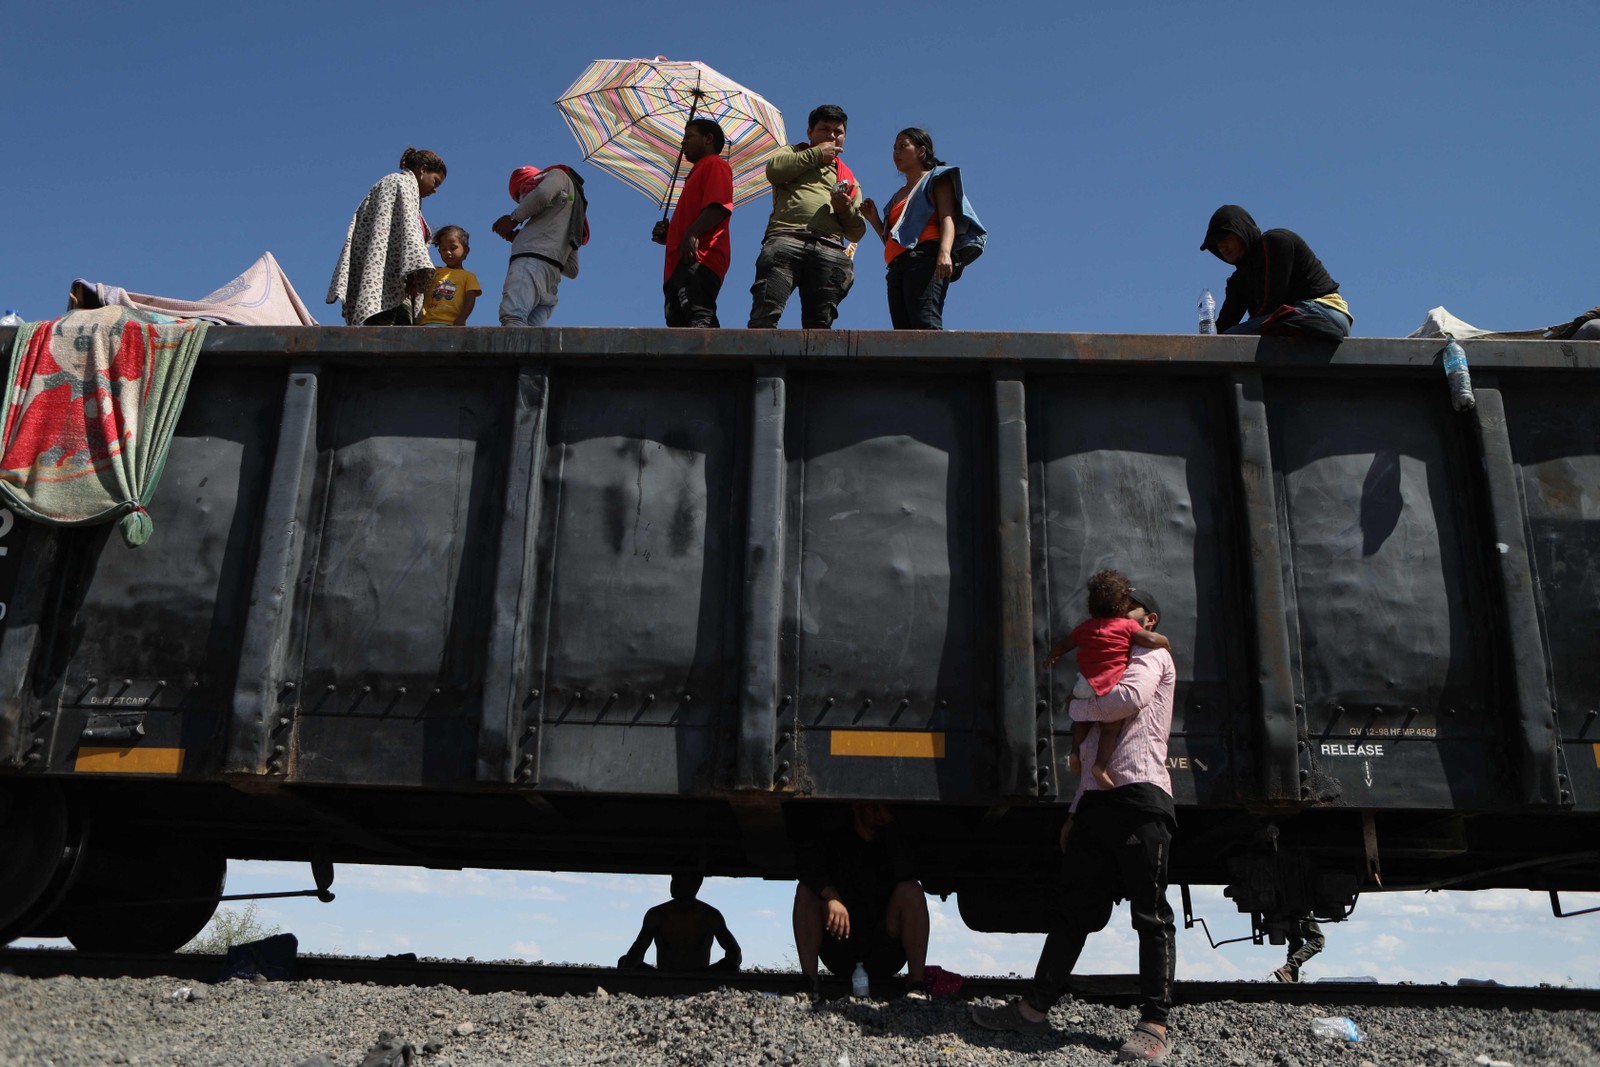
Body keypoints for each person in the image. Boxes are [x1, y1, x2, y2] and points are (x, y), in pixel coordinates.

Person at [973, 587, 1178, 1064]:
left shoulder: (1150, 659)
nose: (1112, 627)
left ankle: (1154, 1024)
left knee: (1149, 914)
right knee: (1072, 911)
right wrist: (1076, 810)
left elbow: (1123, 702)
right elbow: (1089, 756)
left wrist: (1075, 707)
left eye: (1122, 618)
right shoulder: (1107, 665)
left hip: (1140, 797)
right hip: (1098, 805)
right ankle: (1033, 1011)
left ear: (1147, 620)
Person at [1042, 570, 1171, 790]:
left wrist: (1052, 655)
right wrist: (1165, 641)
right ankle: (1100, 767)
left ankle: (1073, 751)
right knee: (1111, 727)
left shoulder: (1085, 627)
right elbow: (1149, 639)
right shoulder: (1127, 627)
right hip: (1107, 685)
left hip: (1084, 683)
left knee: (1081, 722)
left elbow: (1065, 645)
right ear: (1119, 607)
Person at [793, 802, 929, 999]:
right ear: (857, 807)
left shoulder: (893, 841)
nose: (881, 814)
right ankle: (808, 984)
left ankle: (917, 986)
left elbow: (910, 872)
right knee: (806, 891)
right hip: (840, 949)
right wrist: (830, 895)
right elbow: (806, 866)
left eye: (886, 809)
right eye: (875, 808)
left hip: (885, 951)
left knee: (912, 890)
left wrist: (891, 828)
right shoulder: (836, 839)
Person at [747, 104, 865, 329]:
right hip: (787, 239)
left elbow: (856, 231)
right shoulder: (793, 152)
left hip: (830, 248)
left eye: (838, 132)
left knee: (820, 326)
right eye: (824, 129)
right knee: (766, 312)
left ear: (845, 137)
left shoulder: (849, 178)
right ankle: (760, 363)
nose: (831, 136)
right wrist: (817, 154)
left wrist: (845, 210)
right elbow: (775, 170)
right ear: (810, 132)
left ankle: (812, 365)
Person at [860, 128, 985, 330]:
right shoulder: (898, 195)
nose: (896, 153)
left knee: (925, 325)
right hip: (896, 266)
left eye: (903, 146)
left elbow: (947, 218)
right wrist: (875, 221)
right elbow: (898, 241)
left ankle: (935, 363)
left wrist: (944, 254)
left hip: (926, 259)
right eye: (894, 148)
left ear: (921, 150)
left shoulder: (936, 178)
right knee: (903, 334)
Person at [327, 147, 447, 326]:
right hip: (384, 284)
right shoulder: (399, 184)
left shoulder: (411, 197)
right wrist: (419, 269)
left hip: (400, 288)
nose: (435, 190)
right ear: (423, 169)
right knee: (387, 337)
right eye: (435, 181)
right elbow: (407, 232)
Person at [1200, 205, 1352, 340]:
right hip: (1288, 322)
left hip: (1324, 311)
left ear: (1241, 233)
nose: (1222, 247)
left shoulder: (1275, 242)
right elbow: (1223, 327)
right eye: (1217, 244)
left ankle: (1302, 324)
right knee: (1227, 338)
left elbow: (1272, 303)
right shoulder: (1239, 280)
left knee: (1234, 338)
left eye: (1226, 238)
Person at [651, 119, 733, 328]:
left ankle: (713, 360)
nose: (683, 142)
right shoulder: (695, 173)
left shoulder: (716, 164)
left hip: (699, 259)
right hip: (679, 264)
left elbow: (719, 207)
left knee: (699, 318)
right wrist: (669, 236)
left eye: (689, 136)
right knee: (679, 326)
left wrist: (692, 234)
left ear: (708, 139)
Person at [492, 164, 588, 327]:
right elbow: (572, 270)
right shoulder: (571, 212)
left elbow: (542, 195)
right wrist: (520, 238)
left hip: (530, 265)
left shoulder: (557, 175)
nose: (522, 200)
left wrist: (513, 218)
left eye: (520, 195)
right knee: (533, 333)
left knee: (513, 318)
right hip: (550, 279)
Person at [617, 872, 742, 973]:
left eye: (681, 878)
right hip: (664, 976)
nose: (674, 883)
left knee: (730, 964)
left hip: (699, 977)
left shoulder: (710, 916)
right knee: (624, 961)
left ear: (696, 883)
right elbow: (638, 949)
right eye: (674, 877)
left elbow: (735, 953)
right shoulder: (657, 914)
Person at [418, 226, 480, 326]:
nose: (448, 252)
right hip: (425, 323)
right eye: (443, 249)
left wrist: (462, 318)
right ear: (439, 252)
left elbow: (470, 300)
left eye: (453, 248)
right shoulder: (434, 271)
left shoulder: (468, 276)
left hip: (451, 325)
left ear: (466, 250)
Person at [1272, 914, 1325, 983]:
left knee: (1296, 942)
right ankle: (1288, 969)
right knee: (1318, 939)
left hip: (1277, 911)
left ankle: (1291, 977)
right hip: (1296, 907)